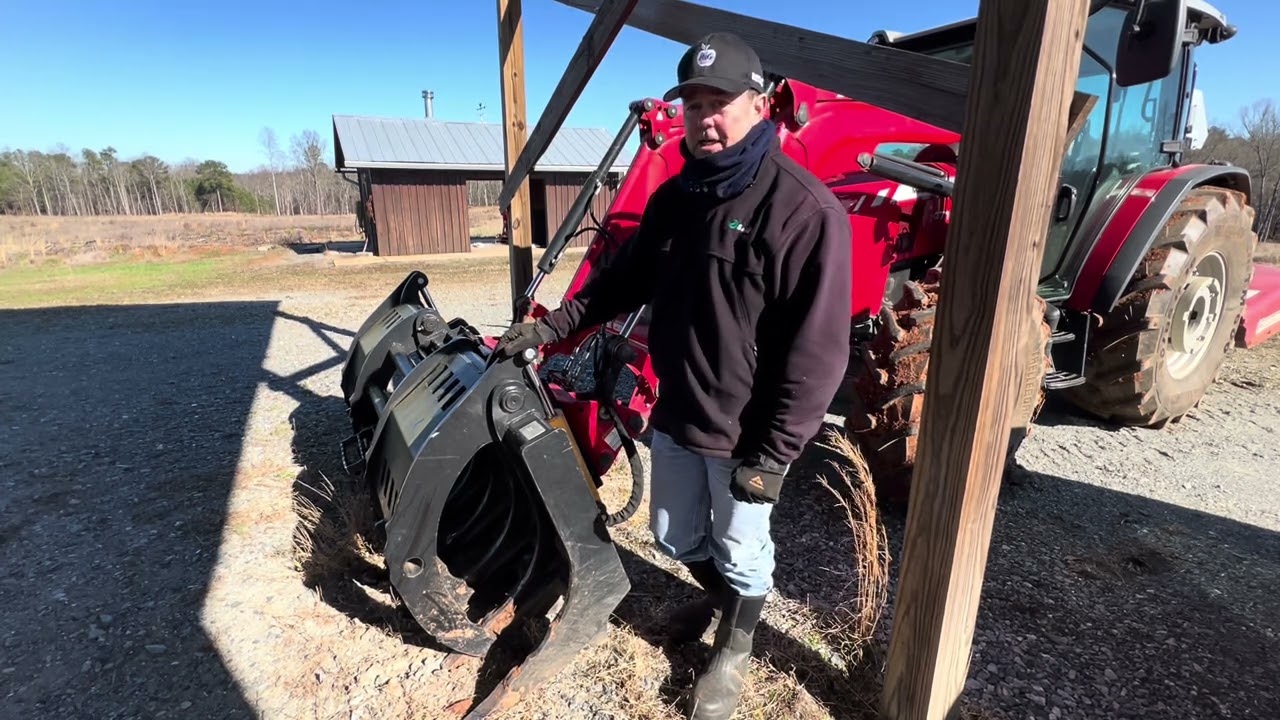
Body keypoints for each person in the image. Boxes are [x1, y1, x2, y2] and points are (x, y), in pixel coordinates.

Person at [494, 31, 852, 720]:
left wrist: (774, 454)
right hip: (679, 412)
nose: (705, 118)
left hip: (746, 433)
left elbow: (818, 354)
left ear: (759, 105)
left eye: (720, 102)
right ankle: (718, 599)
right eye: (694, 104)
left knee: (742, 548)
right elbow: (619, 283)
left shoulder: (802, 211)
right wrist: (549, 327)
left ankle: (734, 650)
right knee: (672, 535)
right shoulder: (677, 197)